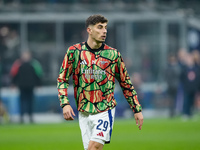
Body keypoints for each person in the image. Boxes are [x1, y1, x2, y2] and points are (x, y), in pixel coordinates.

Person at [57, 14, 143, 150]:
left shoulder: (113, 55)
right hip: (84, 111)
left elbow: (125, 83)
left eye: (105, 28)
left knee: (94, 147)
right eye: (100, 27)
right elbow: (62, 78)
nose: (104, 31)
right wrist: (65, 104)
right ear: (89, 30)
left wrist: (136, 109)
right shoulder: (74, 52)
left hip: (105, 109)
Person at [10, 50, 43, 123]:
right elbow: (14, 74)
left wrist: (39, 84)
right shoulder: (18, 64)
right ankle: (21, 117)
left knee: (30, 102)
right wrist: (13, 83)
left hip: (31, 86)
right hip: (22, 86)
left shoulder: (34, 64)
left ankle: (30, 117)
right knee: (22, 102)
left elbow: (38, 74)